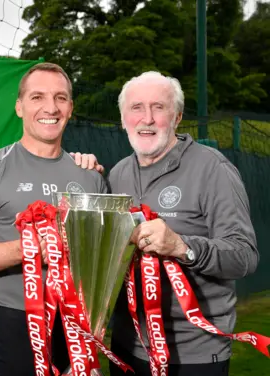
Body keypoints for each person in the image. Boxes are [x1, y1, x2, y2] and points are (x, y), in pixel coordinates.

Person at [0, 62, 107, 376]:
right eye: (37, 97)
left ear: (71, 107)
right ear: (20, 107)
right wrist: (42, 245)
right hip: (13, 327)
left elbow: (102, 257)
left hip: (76, 326)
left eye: (60, 98)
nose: (51, 107)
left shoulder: (91, 176)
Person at [104, 71, 259, 376]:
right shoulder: (117, 174)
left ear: (176, 117)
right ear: (123, 119)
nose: (146, 118)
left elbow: (244, 256)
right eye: (136, 108)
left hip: (193, 355)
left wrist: (182, 246)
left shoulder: (212, 168)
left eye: (158, 108)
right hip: (127, 347)